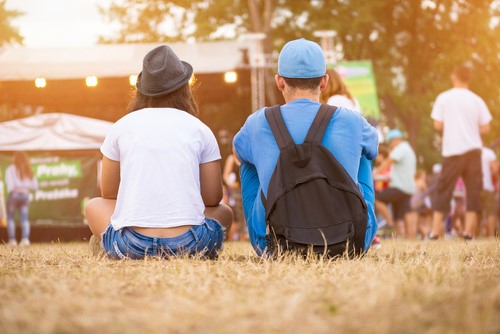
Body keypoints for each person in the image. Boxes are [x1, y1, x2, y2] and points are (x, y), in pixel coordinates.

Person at [233, 38, 379, 256]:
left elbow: (236, 154)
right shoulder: (353, 120)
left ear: (279, 81)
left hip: (277, 246)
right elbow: (374, 149)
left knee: (247, 160)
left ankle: (262, 238)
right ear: (324, 82)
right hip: (348, 243)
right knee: (364, 155)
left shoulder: (257, 122)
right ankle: (360, 230)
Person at [84, 45, 232, 259]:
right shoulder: (200, 129)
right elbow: (212, 198)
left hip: (131, 245)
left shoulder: (121, 126)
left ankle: (110, 244)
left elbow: (108, 192)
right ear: (184, 88)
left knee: (93, 206)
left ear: (141, 91)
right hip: (191, 243)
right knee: (225, 212)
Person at [429, 64, 492, 240]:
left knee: (444, 189)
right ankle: (469, 232)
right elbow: (486, 128)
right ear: (469, 79)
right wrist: (470, 129)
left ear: (454, 77)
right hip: (473, 150)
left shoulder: (444, 97)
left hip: (452, 150)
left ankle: (434, 231)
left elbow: (437, 124)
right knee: (473, 190)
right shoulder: (477, 100)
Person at [374, 129, 417, 239]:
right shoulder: (409, 150)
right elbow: (397, 172)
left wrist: (374, 172)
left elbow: (388, 161)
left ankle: (390, 223)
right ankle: (407, 237)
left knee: (377, 199)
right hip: (408, 187)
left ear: (395, 140)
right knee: (401, 213)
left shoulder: (400, 148)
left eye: (390, 142)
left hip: (399, 186)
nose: (391, 145)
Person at [5, 151, 38, 247]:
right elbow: (35, 186)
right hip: (25, 195)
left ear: (14, 159)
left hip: (14, 196)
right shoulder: (28, 170)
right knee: (24, 219)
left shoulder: (10, 169)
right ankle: (25, 240)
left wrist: (16, 189)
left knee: (11, 218)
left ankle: (12, 241)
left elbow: (10, 187)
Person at [223, 153, 247, 241]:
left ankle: (247, 235)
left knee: (246, 213)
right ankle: (241, 236)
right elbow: (225, 176)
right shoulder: (231, 158)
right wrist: (231, 184)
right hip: (236, 191)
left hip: (247, 189)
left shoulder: (246, 156)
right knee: (238, 214)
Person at [480, 146, 498, 237]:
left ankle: (474, 235)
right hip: (488, 186)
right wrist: (490, 176)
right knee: (491, 212)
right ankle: (491, 235)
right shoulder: (489, 153)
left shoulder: (471, 152)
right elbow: (495, 169)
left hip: (475, 188)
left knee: (475, 212)